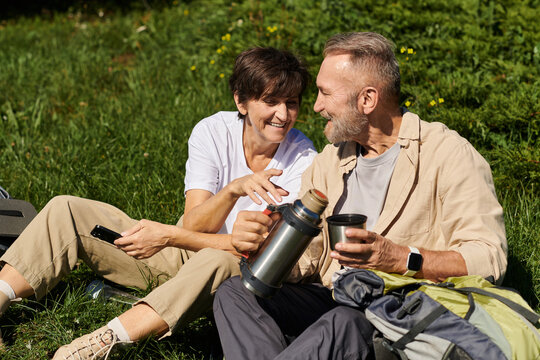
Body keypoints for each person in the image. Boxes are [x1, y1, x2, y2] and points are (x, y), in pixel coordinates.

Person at [0, 47, 317, 359]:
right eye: (271, 101)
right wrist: (232, 190)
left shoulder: (303, 161)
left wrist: (167, 235)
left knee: (217, 261)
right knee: (66, 209)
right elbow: (194, 222)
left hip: (230, 271)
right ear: (241, 101)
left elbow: (260, 255)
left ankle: (94, 346)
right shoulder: (213, 131)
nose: (283, 115)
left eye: (291, 103)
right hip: (180, 250)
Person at [212, 32, 507, 360]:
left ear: (367, 99)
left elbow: (488, 259)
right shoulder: (330, 161)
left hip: (401, 313)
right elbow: (308, 260)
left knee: (344, 324)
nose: (316, 105)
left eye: (325, 93)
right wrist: (265, 242)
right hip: (336, 297)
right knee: (237, 292)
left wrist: (400, 258)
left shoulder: (448, 155)